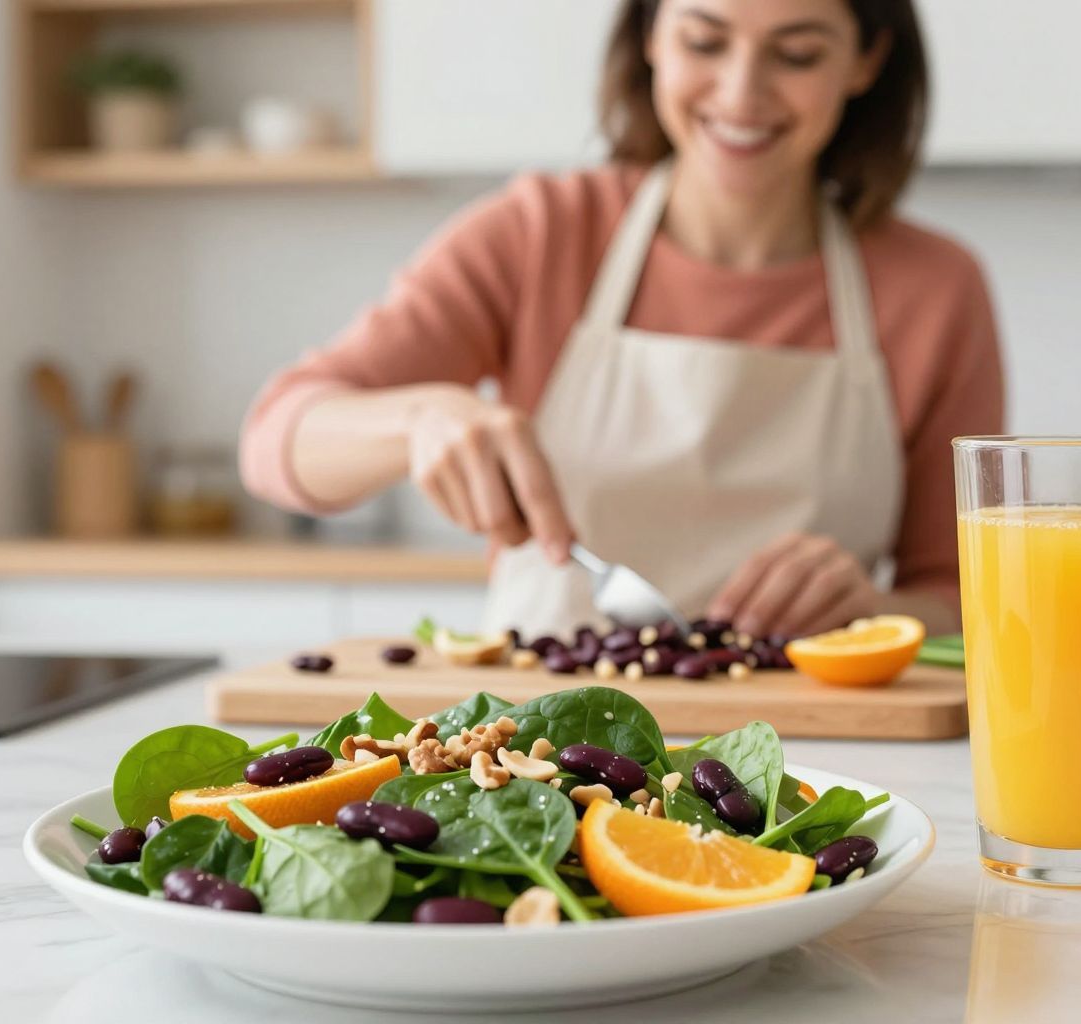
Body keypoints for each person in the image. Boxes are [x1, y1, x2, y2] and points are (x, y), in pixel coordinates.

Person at [241, 0, 1003, 640]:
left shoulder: (935, 288)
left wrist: (874, 611)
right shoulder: (536, 233)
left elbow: (966, 596)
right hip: (536, 748)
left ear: (867, 61)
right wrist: (418, 421)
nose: (742, 92)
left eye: (797, 54)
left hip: (816, 754)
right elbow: (276, 437)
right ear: (650, 39)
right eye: (704, 42)